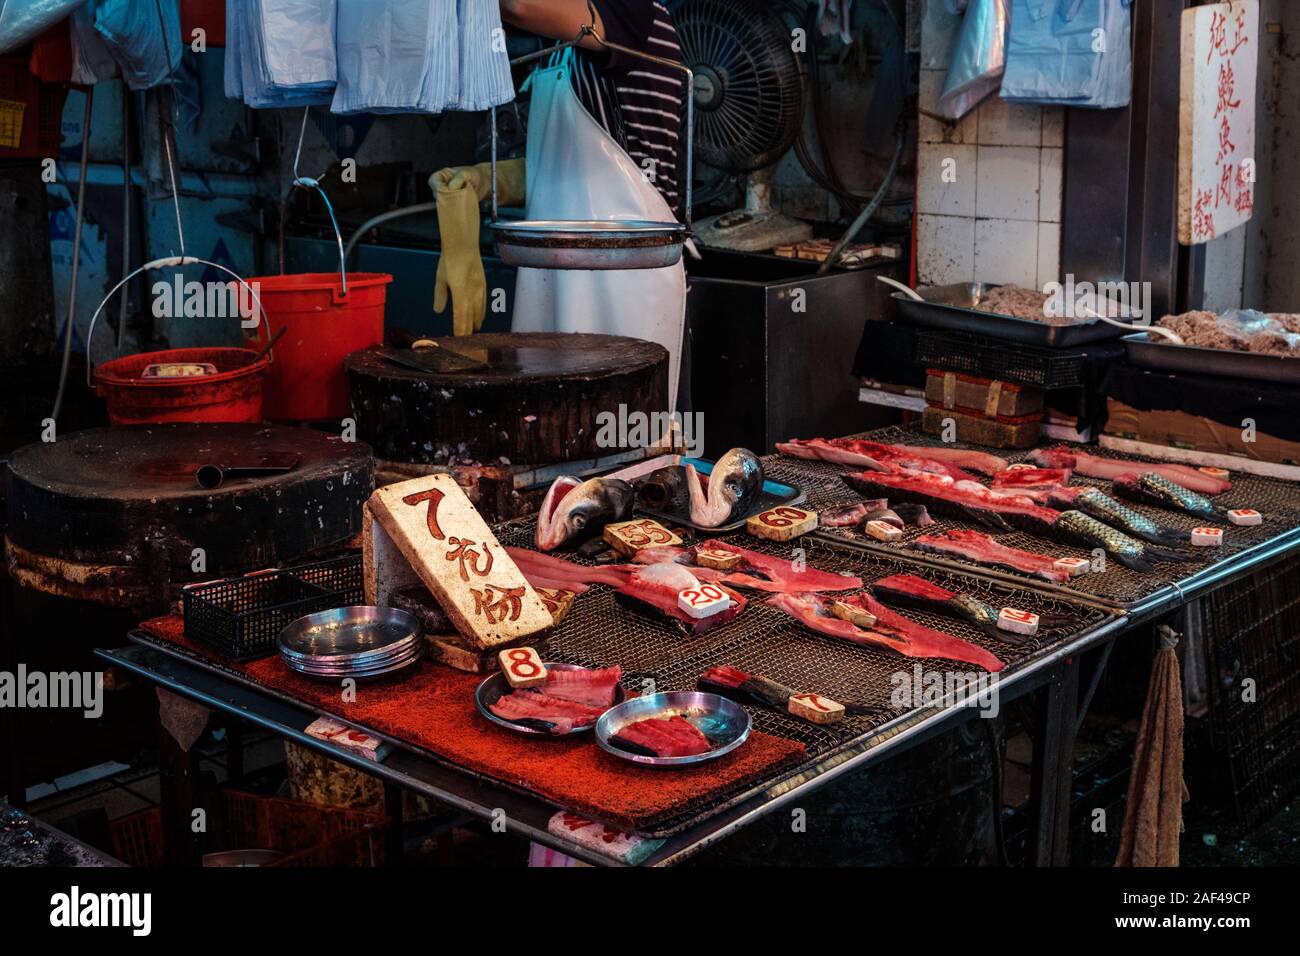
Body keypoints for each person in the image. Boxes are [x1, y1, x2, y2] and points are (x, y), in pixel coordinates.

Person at [431, 0, 690, 408]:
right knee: (548, 428)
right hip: (556, 269)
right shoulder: (568, 47)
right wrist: (487, 179)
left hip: (626, 270)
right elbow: (572, 161)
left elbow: (516, 4)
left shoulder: (633, 11)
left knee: (622, 445)